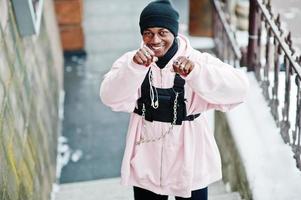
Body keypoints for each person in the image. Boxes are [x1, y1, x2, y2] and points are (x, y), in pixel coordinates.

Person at [100, 0, 249, 199]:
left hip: (190, 160)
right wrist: (134, 68)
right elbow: (109, 96)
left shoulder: (198, 60)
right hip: (148, 162)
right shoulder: (131, 61)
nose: (154, 39)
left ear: (174, 33)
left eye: (163, 32)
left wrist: (196, 73)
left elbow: (241, 88)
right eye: (148, 33)